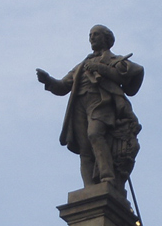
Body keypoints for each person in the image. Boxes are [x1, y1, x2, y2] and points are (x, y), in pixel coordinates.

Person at [36, 25, 144, 191]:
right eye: (90, 35)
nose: (91, 38)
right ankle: (89, 188)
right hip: (79, 105)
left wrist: (101, 68)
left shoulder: (115, 60)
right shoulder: (82, 65)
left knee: (95, 134)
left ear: (106, 39)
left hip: (101, 103)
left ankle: (108, 177)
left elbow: (136, 71)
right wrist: (48, 80)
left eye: (96, 35)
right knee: (84, 148)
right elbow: (64, 86)